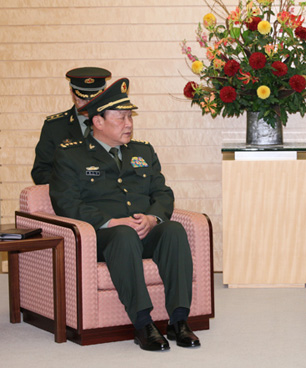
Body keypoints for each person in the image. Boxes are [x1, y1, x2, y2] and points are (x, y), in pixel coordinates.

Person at [49, 78, 200, 352]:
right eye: (120, 118)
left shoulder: (143, 151)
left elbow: (163, 193)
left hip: (143, 232)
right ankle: (143, 323)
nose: (128, 123)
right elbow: (66, 204)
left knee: (174, 231)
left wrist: (154, 218)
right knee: (123, 234)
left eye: (130, 116)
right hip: (104, 238)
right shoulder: (71, 156)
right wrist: (111, 221)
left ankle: (179, 321)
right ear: (98, 122)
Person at [31, 67, 112, 184]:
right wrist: (68, 187)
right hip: (70, 196)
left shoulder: (113, 122)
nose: (88, 104)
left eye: (93, 99)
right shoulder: (55, 126)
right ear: (72, 93)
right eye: (83, 99)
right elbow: (41, 171)